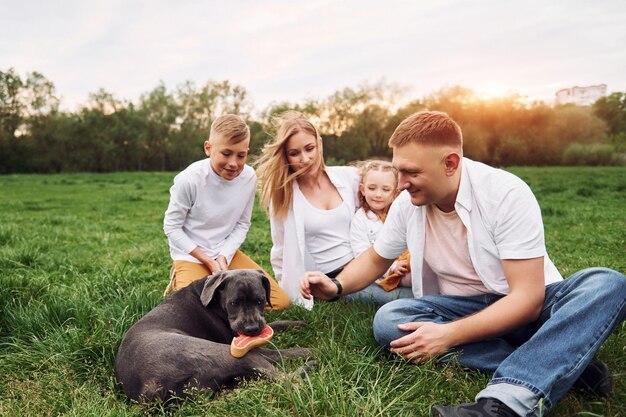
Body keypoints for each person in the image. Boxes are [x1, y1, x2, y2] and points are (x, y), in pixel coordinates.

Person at [300, 111, 626, 417]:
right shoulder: (407, 204)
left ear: (450, 163)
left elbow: (527, 301)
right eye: (398, 170)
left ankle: (505, 401)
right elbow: (375, 258)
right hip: (465, 306)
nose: (400, 183)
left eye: (412, 172)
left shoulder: (505, 193)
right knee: (389, 321)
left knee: (605, 283)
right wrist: (338, 286)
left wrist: (448, 336)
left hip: (535, 307)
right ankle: (561, 360)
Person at [256, 111, 409, 309]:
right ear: (285, 156)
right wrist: (286, 290)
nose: (305, 158)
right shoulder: (284, 197)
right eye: (294, 153)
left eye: (309, 148)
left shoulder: (350, 177)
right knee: (405, 297)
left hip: (368, 264)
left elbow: (384, 193)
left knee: (419, 282)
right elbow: (280, 249)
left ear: (319, 143)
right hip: (331, 276)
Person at [163, 114, 290, 310]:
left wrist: (223, 257)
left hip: (225, 254)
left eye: (241, 155)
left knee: (279, 302)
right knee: (196, 310)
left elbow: (242, 223)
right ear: (208, 148)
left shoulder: (249, 178)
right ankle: (180, 274)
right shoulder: (189, 180)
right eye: (226, 153)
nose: (233, 163)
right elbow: (172, 228)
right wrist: (207, 260)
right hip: (192, 256)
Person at [350, 160, 412, 293]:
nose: (378, 194)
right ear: (363, 190)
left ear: (395, 193)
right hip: (388, 270)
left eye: (385, 189)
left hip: (409, 261)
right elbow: (361, 253)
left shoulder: (400, 211)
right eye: (372, 188)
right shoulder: (361, 219)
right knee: (413, 277)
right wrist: (393, 267)